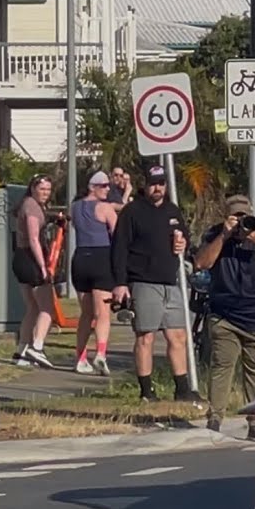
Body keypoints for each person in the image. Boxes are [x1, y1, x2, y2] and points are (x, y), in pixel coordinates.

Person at [192, 193, 255, 440]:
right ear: (226, 216)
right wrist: (224, 235)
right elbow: (202, 262)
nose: (240, 222)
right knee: (222, 366)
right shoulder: (216, 234)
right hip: (225, 315)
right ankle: (215, 418)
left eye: (244, 216)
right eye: (235, 216)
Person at [110, 165, 202, 404]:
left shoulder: (173, 211)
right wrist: (120, 283)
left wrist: (182, 245)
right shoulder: (132, 212)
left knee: (178, 335)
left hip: (170, 282)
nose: (157, 188)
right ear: (145, 184)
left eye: (161, 183)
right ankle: (146, 391)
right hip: (143, 281)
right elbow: (118, 249)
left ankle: (182, 388)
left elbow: (184, 238)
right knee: (146, 337)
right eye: (153, 183)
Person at [70, 170, 118, 376]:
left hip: (80, 258)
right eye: (103, 185)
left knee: (86, 313)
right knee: (102, 313)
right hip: (101, 258)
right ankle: (100, 353)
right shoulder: (105, 208)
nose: (108, 189)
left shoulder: (75, 207)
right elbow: (118, 236)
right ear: (92, 187)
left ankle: (80, 358)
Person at [10, 174, 56, 369]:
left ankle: (20, 352)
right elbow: (34, 238)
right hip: (30, 259)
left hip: (21, 259)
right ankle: (36, 347)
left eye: (48, 189)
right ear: (33, 188)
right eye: (42, 189)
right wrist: (43, 267)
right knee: (47, 308)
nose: (45, 193)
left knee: (32, 308)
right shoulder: (31, 208)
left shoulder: (29, 204)